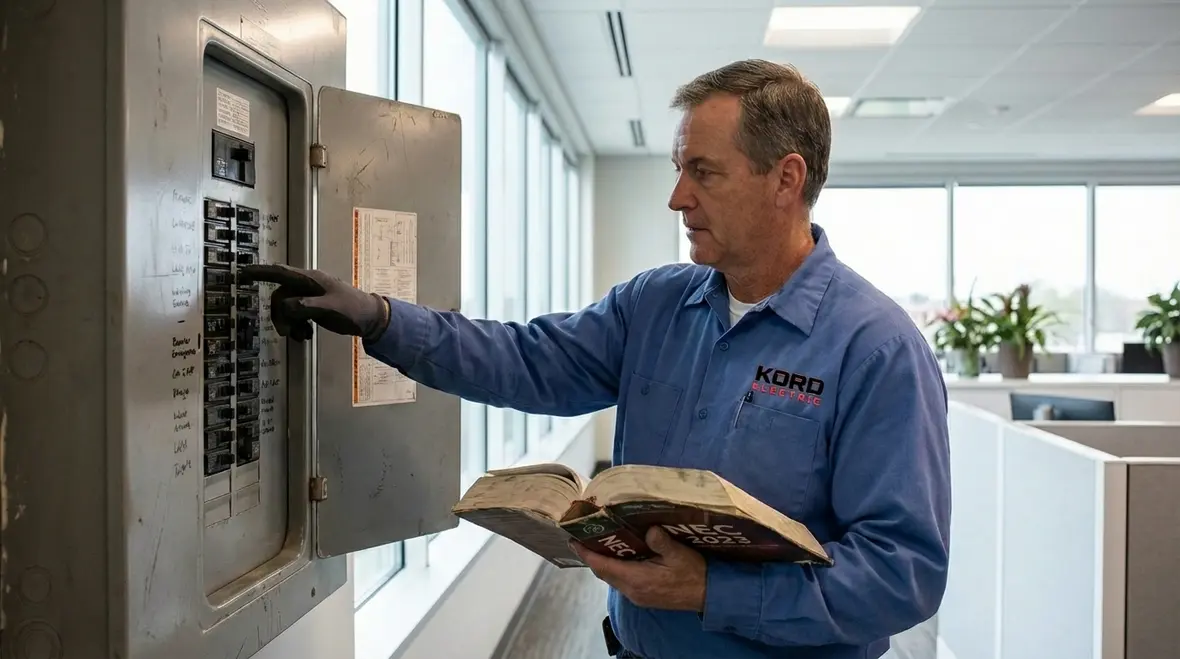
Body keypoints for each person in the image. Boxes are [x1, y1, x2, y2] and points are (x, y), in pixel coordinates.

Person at [240, 58, 950, 659]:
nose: (677, 198)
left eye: (703, 172)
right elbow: (526, 359)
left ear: (786, 180)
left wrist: (711, 589)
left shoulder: (877, 349)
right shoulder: (656, 304)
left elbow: (903, 574)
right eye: (678, 168)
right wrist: (382, 319)